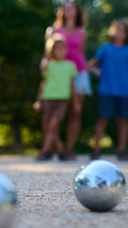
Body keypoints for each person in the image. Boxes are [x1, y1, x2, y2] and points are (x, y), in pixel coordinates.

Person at [38, 1, 91, 161]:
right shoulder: (53, 30)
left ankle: (68, 150)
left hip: (79, 73)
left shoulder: (82, 32)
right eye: (65, 7)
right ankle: (49, 149)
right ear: (61, 11)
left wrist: (91, 68)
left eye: (71, 7)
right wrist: (44, 65)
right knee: (51, 115)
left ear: (77, 11)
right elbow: (47, 54)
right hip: (57, 75)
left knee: (75, 112)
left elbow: (81, 55)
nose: (68, 9)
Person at [88, 18, 128, 161]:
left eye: (122, 30)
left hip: (125, 91)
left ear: (127, 34)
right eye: (117, 28)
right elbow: (90, 65)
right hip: (107, 90)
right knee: (102, 119)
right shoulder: (105, 49)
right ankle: (96, 149)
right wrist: (96, 71)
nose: (119, 32)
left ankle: (121, 151)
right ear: (112, 31)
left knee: (123, 121)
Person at [37, 35, 77, 161]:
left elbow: (72, 84)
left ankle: (45, 151)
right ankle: (60, 151)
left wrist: (75, 101)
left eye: (63, 49)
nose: (61, 52)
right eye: (57, 49)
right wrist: (39, 100)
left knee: (54, 124)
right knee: (49, 127)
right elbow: (43, 83)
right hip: (48, 99)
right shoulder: (48, 65)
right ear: (52, 51)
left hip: (62, 100)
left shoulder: (70, 65)